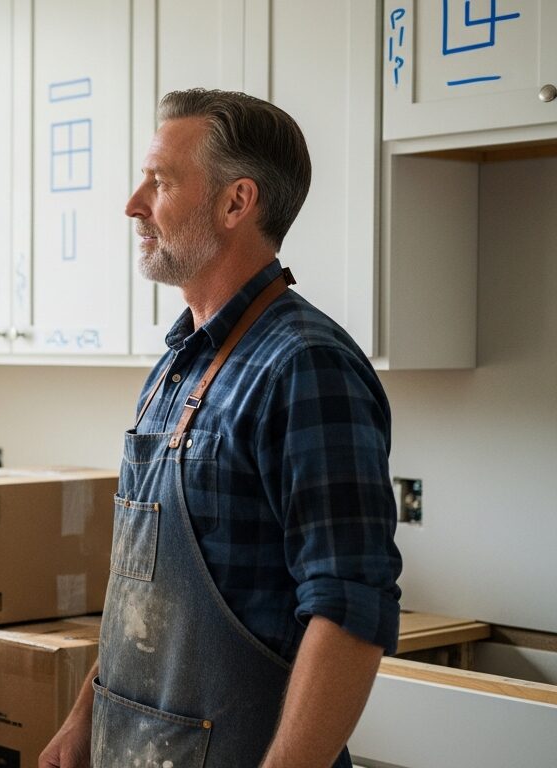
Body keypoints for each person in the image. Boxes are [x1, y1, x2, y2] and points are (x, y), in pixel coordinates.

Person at [41, 90, 402, 768]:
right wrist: (84, 721)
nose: (133, 204)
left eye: (161, 181)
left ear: (237, 202)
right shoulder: (177, 365)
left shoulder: (304, 365)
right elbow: (141, 597)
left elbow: (351, 610)